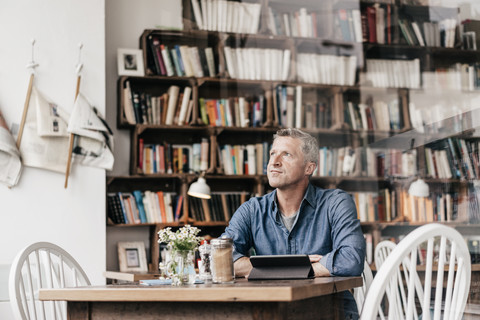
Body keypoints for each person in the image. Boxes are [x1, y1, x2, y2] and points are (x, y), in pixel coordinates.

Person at [221, 128, 366, 318]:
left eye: (286, 154)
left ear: (309, 168)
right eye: (272, 153)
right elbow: (221, 258)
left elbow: (351, 260)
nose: (274, 161)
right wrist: (302, 268)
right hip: (272, 312)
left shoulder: (336, 202)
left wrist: (267, 270)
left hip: (329, 311)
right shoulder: (252, 209)